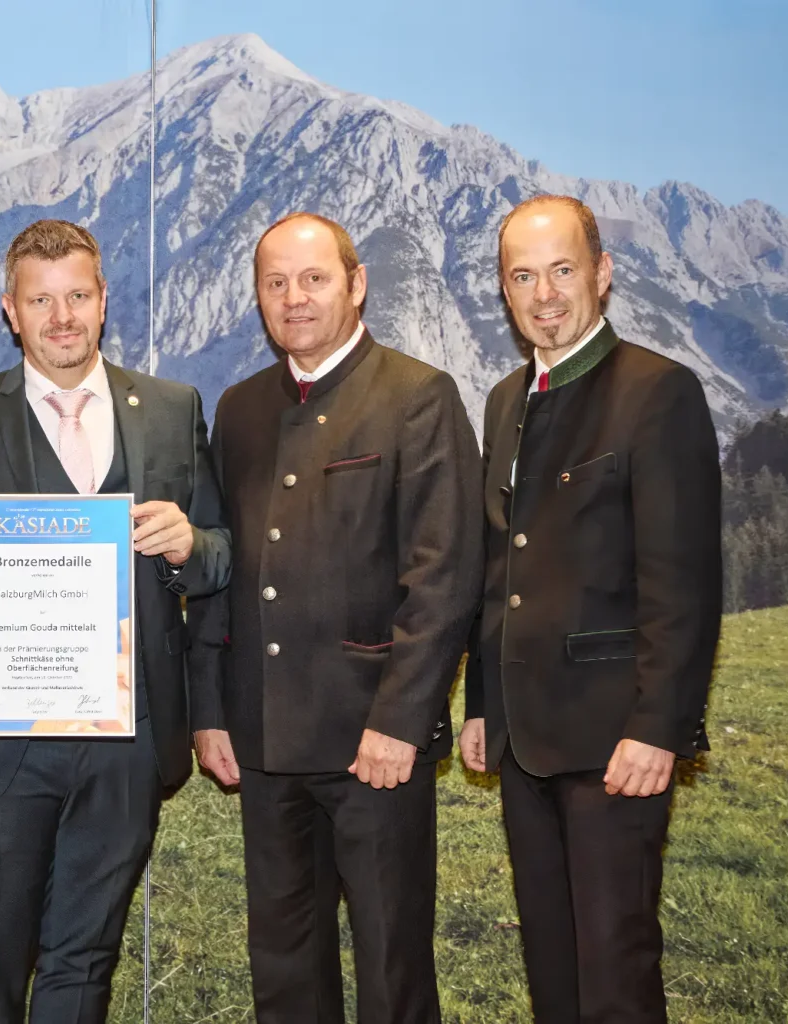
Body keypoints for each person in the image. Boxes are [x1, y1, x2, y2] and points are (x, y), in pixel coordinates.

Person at [0, 219, 229, 1023]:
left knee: (84, 971)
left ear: (104, 299)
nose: (62, 317)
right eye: (41, 301)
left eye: (77, 296)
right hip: (1, 740)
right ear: (11, 311)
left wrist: (190, 544)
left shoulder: (172, 409)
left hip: (128, 741)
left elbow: (222, 554)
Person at [188, 212, 483, 1024]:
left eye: (314, 279)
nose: (295, 298)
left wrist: (400, 722)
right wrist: (210, 710)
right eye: (276, 283)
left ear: (356, 285)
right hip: (263, 737)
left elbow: (445, 577)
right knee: (283, 970)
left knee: (392, 970)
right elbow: (220, 570)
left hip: (372, 745)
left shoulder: (418, 396)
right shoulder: (241, 409)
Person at [460, 194, 722, 1022]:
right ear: (504, 290)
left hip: (616, 740)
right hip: (522, 739)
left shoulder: (659, 391)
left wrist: (658, 728)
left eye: (562, 270)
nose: (544, 295)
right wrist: (481, 705)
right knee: (552, 970)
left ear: (602, 274)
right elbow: (499, 567)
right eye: (522, 276)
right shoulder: (505, 401)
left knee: (614, 975)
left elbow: (683, 584)